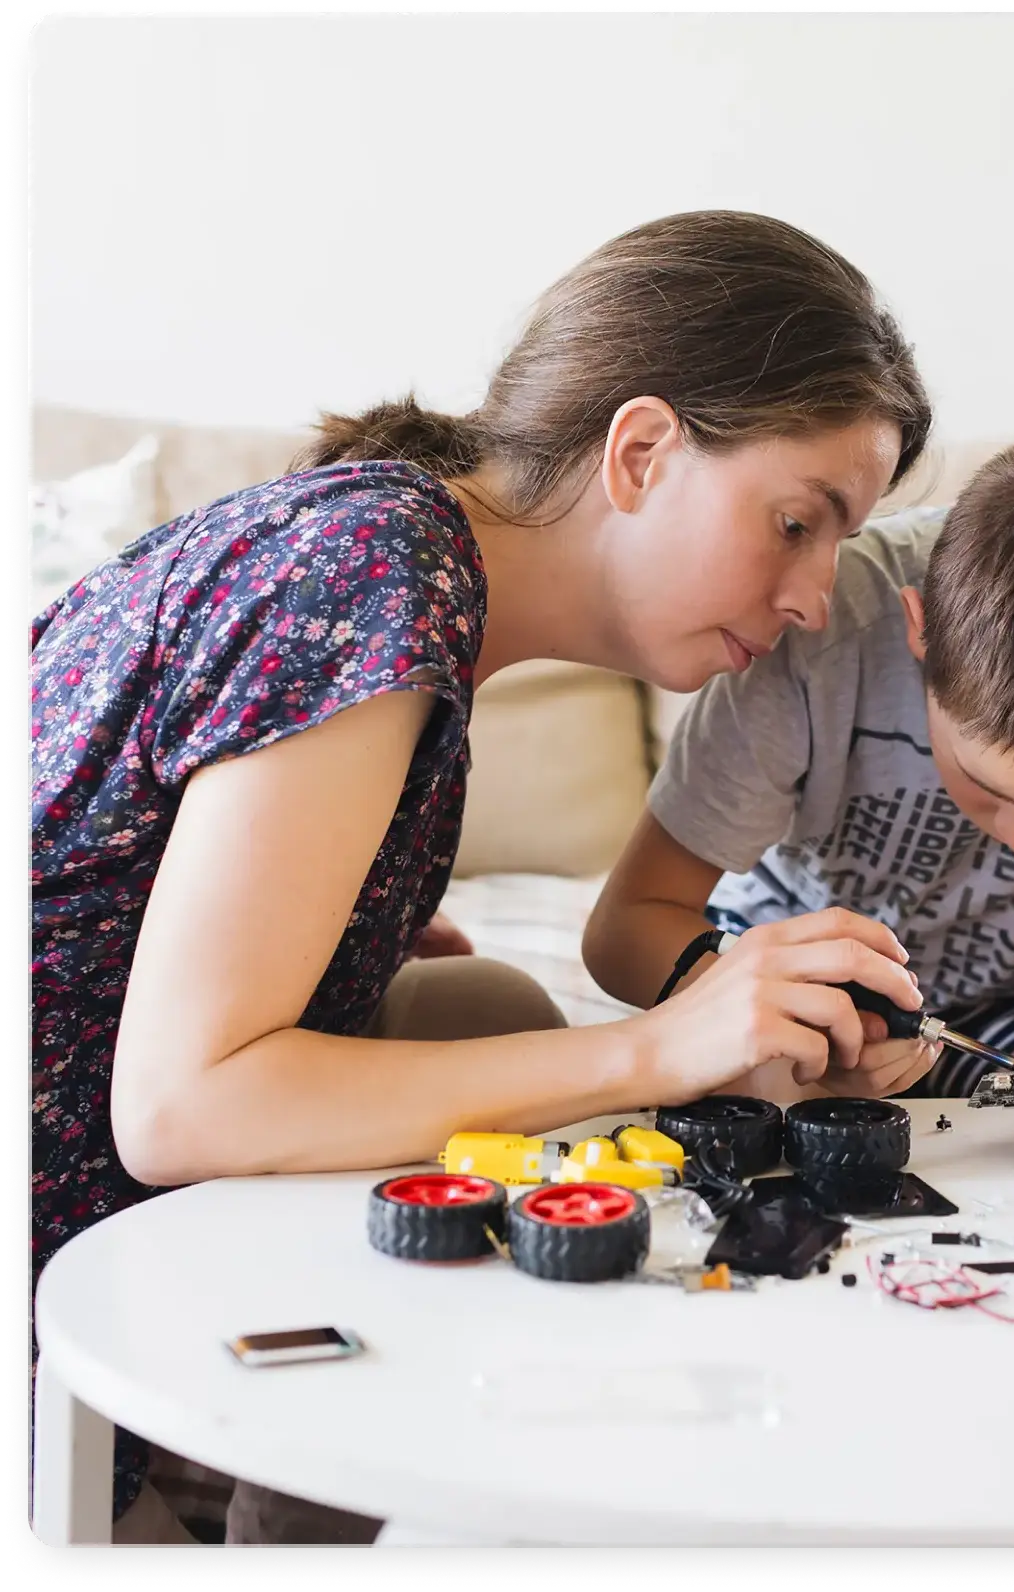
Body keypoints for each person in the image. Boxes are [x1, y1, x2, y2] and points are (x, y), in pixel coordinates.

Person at [29, 210, 933, 1544]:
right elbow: (181, 1105)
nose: (813, 596)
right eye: (799, 521)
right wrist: (655, 1050)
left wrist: (346, 945)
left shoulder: (402, 568)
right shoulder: (374, 574)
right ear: (642, 451)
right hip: (55, 1248)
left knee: (483, 1007)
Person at [585, 429, 1014, 1140]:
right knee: (762, 1103)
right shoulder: (825, 623)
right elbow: (628, 926)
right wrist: (814, 1026)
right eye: (991, 788)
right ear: (919, 632)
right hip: (790, 984)